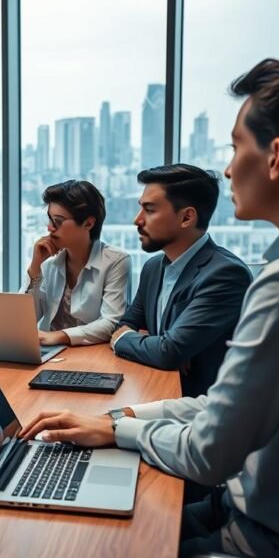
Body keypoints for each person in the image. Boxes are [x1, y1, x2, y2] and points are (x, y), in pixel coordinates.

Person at [20, 52, 279, 558]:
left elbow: (208, 445)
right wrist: (121, 416)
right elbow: (217, 403)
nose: (228, 166)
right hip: (237, 500)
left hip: (264, 533)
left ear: (276, 156)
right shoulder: (170, 268)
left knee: (97, 550)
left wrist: (117, 428)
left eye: (237, 146)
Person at [110, 164, 252, 397]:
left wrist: (165, 348)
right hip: (154, 389)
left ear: (187, 217)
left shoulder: (225, 274)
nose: (137, 220)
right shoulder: (153, 268)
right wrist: (160, 345)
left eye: (149, 210)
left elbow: (168, 352)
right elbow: (125, 326)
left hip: (201, 405)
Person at [25, 180, 130, 346]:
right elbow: (25, 319)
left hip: (92, 353)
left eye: (58, 221)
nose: (50, 228)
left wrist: (57, 336)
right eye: (50, 219)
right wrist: (35, 267)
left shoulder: (116, 261)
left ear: (88, 223)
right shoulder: (48, 264)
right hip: (49, 352)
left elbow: (111, 322)